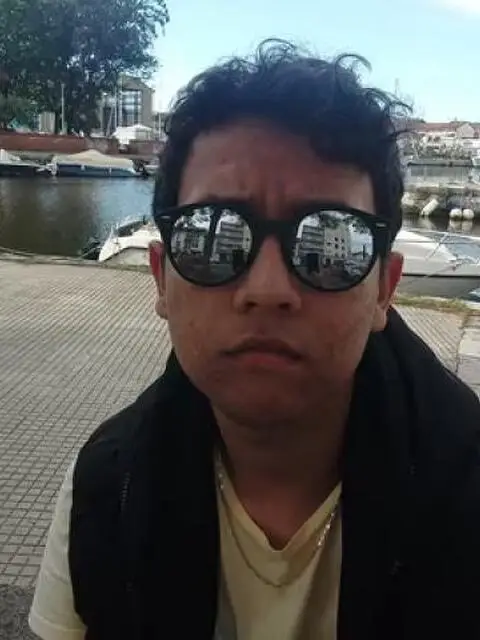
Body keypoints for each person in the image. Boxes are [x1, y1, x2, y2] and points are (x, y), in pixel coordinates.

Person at [29, 40, 480, 640]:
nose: (268, 290)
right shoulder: (109, 487)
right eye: (215, 235)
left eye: (329, 240)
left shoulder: (467, 492)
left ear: (384, 289)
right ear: (161, 278)